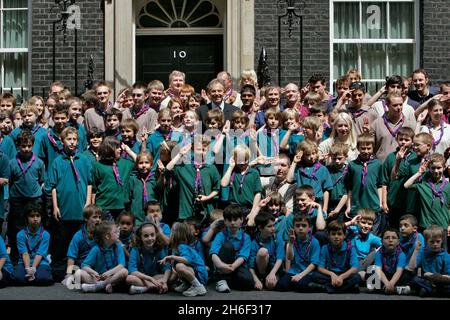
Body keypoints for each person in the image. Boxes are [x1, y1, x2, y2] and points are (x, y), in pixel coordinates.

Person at [48, 127, 93, 275]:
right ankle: (61, 269)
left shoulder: (84, 160)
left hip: (80, 207)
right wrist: (55, 206)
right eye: (69, 139)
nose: (72, 142)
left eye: (75, 139)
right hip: (64, 207)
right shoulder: (57, 161)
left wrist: (88, 203)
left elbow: (89, 183)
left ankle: (78, 268)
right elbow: (53, 186)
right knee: (63, 239)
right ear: (62, 141)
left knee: (79, 240)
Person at [7, 130, 45, 261]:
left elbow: (41, 180)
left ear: (33, 145)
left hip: (34, 198)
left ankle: (35, 256)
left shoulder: (39, 162)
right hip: (17, 199)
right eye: (23, 146)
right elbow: (10, 180)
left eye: (29, 146)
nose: (26, 149)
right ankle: (17, 256)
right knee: (18, 228)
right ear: (18, 146)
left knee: (34, 226)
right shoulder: (12, 163)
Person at [166, 135, 220, 221]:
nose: (202, 152)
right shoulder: (184, 167)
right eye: (199, 149)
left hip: (206, 212)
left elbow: (217, 188)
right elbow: (168, 169)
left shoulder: (211, 168)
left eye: (204, 150)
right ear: (192, 150)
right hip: (187, 213)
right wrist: (180, 154)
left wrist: (207, 197)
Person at [345, 133, 384, 234]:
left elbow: (380, 185)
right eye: (363, 148)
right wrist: (349, 206)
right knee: (356, 236)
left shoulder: (378, 164)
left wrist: (380, 203)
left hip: (373, 206)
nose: (366, 151)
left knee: (372, 235)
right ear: (358, 148)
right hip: (357, 207)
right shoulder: (352, 165)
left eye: (368, 148)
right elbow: (349, 188)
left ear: (373, 148)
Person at [209, 204, 254, 293]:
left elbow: (243, 256)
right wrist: (221, 265)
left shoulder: (246, 237)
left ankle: (228, 281)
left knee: (248, 282)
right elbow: (213, 253)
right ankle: (221, 280)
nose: (232, 223)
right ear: (225, 221)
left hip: (236, 266)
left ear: (241, 219)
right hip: (222, 266)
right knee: (227, 246)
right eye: (229, 220)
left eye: (235, 219)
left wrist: (232, 267)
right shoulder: (220, 235)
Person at [310, 220, 361, 293]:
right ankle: (347, 289)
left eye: (339, 234)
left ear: (344, 235)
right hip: (330, 275)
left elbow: (354, 268)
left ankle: (327, 288)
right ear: (329, 235)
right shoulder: (325, 248)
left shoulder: (351, 248)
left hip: (344, 274)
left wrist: (341, 277)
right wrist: (332, 274)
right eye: (333, 234)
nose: (336, 237)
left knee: (356, 277)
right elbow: (320, 267)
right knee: (314, 275)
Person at [404, 153, 450, 232]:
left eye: (439, 168)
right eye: (433, 168)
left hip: (443, 225)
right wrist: (419, 173)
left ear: (444, 167)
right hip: (426, 226)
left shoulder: (448, 186)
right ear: (429, 168)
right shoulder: (424, 185)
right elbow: (406, 185)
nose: (436, 171)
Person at [78, 221, 128, 293]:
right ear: (107, 236)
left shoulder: (118, 246)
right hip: (99, 278)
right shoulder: (96, 249)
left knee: (124, 271)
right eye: (115, 232)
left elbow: (121, 265)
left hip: (113, 276)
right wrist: (94, 272)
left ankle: (99, 286)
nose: (118, 234)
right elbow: (84, 265)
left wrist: (109, 273)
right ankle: (105, 285)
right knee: (79, 272)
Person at [275, 213, 321, 292]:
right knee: (281, 286)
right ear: (294, 227)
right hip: (294, 271)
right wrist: (291, 243)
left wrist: (300, 275)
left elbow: (314, 263)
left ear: (310, 228)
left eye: (303, 226)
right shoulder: (293, 240)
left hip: (307, 272)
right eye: (297, 225)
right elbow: (289, 257)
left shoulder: (314, 242)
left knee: (300, 286)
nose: (300, 228)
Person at [160, 222, 208, 296]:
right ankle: (187, 284)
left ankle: (198, 286)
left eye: (172, 231)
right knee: (176, 264)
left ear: (177, 234)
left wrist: (171, 257)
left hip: (200, 274)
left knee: (179, 266)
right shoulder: (176, 247)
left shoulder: (182, 246)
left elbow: (187, 260)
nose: (170, 233)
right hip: (194, 271)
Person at [92, 136, 134, 221]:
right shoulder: (98, 165)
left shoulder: (125, 163)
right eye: (117, 147)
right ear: (109, 148)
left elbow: (139, 162)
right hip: (104, 205)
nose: (120, 150)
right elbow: (94, 188)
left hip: (121, 206)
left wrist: (129, 151)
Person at [381, 127, 415, 227]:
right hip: (393, 201)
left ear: (412, 141)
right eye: (401, 139)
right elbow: (384, 182)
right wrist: (384, 202)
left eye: (407, 140)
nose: (403, 142)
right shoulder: (391, 157)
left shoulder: (416, 158)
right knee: (393, 229)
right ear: (396, 140)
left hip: (409, 203)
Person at [287, 140, 333, 213]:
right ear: (302, 155)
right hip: (301, 203)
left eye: (313, 153)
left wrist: (325, 208)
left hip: (317, 203)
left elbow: (326, 190)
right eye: (308, 154)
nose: (311, 157)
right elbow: (289, 179)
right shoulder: (299, 169)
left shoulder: (322, 169)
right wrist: (294, 162)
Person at [125, 221, 171, 294]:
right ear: (140, 237)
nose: (150, 238)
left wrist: (164, 281)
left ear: (156, 235)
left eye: (152, 235)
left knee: (173, 274)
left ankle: (145, 289)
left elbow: (167, 267)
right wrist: (150, 279)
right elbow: (132, 270)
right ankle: (155, 287)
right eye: (146, 236)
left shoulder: (159, 247)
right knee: (129, 278)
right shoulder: (135, 249)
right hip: (142, 277)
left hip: (155, 276)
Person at [15, 202, 54, 286]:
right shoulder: (20, 234)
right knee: (18, 279)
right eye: (32, 216)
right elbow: (24, 253)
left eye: (38, 216)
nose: (35, 219)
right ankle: (32, 277)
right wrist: (28, 269)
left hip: (41, 262)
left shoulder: (45, 234)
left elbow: (40, 254)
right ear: (26, 218)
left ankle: (36, 276)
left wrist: (33, 269)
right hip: (24, 262)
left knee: (44, 279)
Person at [395, 132, 433, 217]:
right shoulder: (411, 161)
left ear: (428, 146)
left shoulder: (434, 162)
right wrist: (398, 161)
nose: (415, 148)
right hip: (411, 204)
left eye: (418, 145)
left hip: (427, 204)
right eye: (414, 145)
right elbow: (395, 176)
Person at [63, 205, 102, 287]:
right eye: (94, 217)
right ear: (86, 219)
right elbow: (71, 257)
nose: (98, 220)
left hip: (99, 268)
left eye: (99, 217)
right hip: (84, 268)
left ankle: (96, 284)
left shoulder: (102, 234)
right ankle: (100, 284)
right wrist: (69, 275)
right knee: (79, 273)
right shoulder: (78, 236)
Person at [222, 145, 262, 224]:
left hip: (248, 208)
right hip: (233, 208)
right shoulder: (232, 171)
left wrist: (253, 212)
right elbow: (223, 184)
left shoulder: (254, 173)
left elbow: (257, 193)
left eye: (245, 159)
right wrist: (230, 167)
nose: (243, 162)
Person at [371, 93, 416, 162]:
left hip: (402, 166)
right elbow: (371, 147)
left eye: (401, 104)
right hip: (382, 165)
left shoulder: (409, 125)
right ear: (387, 105)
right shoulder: (377, 124)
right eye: (395, 105)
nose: (399, 108)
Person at [408, 225, 450, 297]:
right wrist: (416, 250)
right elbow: (411, 268)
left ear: (442, 241)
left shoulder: (446, 256)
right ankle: (432, 291)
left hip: (441, 282)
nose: (435, 244)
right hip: (426, 281)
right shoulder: (423, 252)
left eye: (438, 241)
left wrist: (432, 276)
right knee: (414, 279)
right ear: (426, 242)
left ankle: (428, 290)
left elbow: (448, 277)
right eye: (432, 242)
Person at [248, 211, 284, 290]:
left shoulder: (277, 238)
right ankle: (262, 278)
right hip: (260, 270)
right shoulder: (254, 242)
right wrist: (256, 280)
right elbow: (250, 266)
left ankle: (267, 280)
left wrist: (272, 273)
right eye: (269, 226)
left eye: (273, 225)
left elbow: (280, 258)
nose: (273, 229)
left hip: (274, 268)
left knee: (271, 285)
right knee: (262, 251)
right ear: (260, 228)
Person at [369, 228, 411, 295]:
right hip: (384, 277)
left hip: (396, 277)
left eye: (394, 238)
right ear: (382, 241)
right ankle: (395, 289)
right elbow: (378, 270)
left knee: (407, 275)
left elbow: (399, 271)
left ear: (398, 242)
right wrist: (387, 283)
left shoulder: (401, 254)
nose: (390, 240)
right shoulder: (378, 253)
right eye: (387, 238)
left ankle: (386, 288)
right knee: (371, 275)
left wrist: (391, 283)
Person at [345, 209, 382, 280]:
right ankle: (363, 277)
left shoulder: (371, 237)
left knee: (377, 252)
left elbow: (385, 244)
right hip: (349, 262)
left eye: (369, 224)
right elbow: (336, 228)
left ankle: (368, 279)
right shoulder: (352, 230)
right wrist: (350, 222)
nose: (366, 226)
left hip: (363, 263)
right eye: (363, 222)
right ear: (358, 222)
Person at [128, 152, 157, 226]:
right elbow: (128, 198)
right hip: (136, 219)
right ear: (136, 165)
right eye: (141, 163)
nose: (144, 165)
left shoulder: (154, 179)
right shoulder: (132, 179)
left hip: (152, 219)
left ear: (151, 165)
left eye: (146, 162)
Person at [327, 143, 350, 221]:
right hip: (329, 204)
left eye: (340, 158)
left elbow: (346, 193)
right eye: (334, 158)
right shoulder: (327, 170)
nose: (337, 161)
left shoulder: (348, 171)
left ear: (346, 157)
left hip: (342, 206)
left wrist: (337, 210)